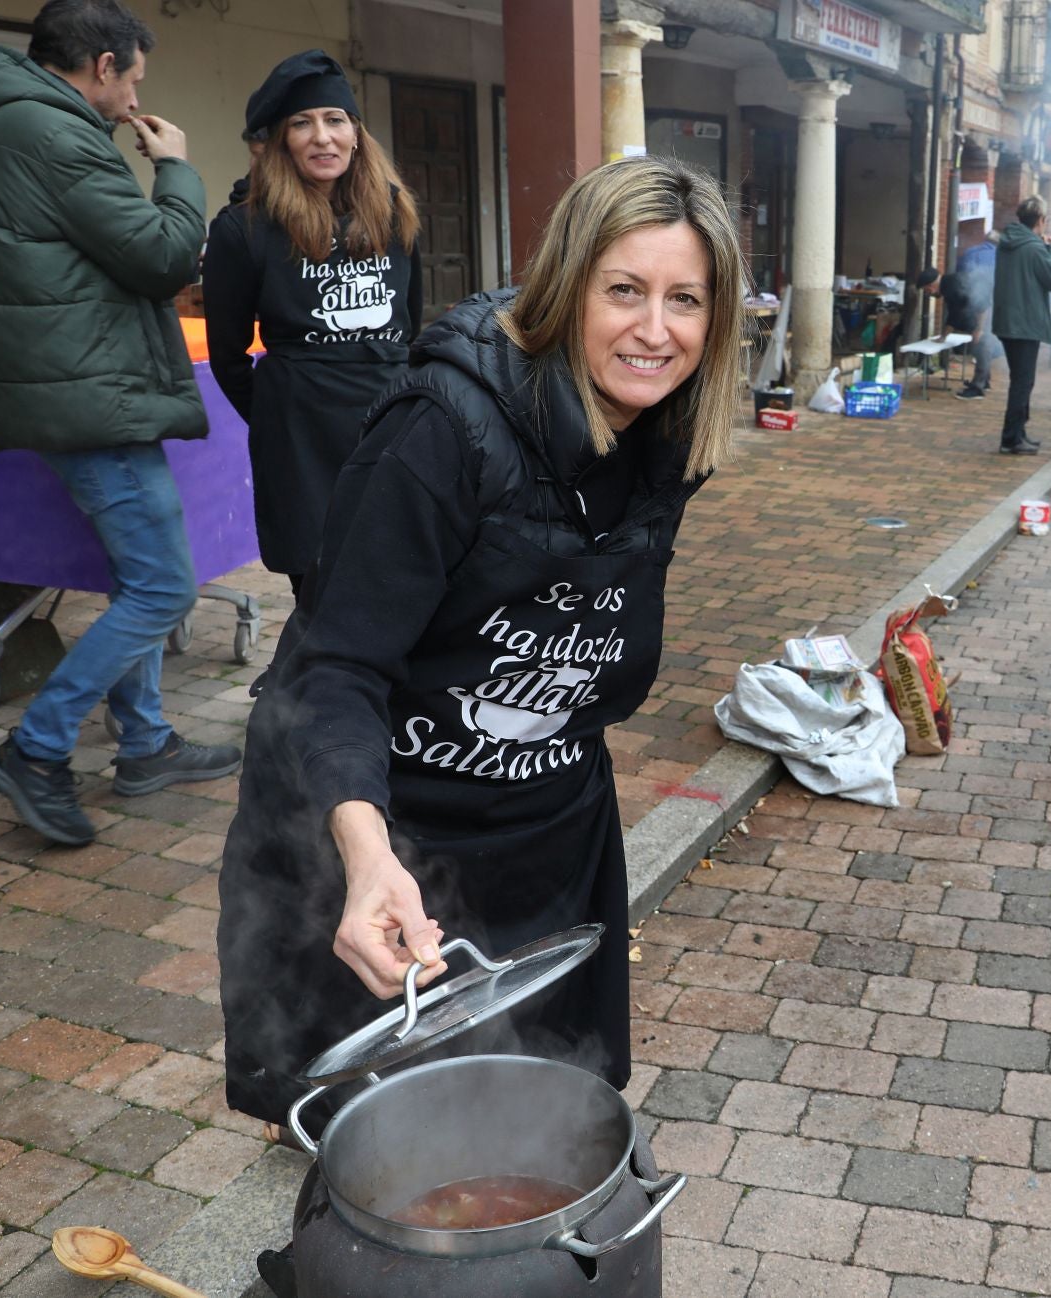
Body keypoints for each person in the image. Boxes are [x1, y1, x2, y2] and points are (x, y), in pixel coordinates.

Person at [216, 155, 743, 1128]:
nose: (655, 329)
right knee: (375, 1152)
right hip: (381, 839)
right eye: (624, 289)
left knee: (540, 1120)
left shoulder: (666, 436)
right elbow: (337, 667)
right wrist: (369, 858)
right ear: (568, 283)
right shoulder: (444, 428)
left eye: (686, 299)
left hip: (546, 841)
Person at [0, 0, 241, 850]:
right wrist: (177, 169)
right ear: (103, 65)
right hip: (91, 395)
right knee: (163, 588)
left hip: (75, 387)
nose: (137, 96)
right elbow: (162, 256)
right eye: (134, 77)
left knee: (132, 576)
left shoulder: (6, 121)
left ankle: (144, 745)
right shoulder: (54, 134)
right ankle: (36, 748)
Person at [201, 51, 422, 598]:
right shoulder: (243, 230)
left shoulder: (394, 213)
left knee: (404, 583)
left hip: (389, 427)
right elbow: (227, 357)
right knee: (323, 597)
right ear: (281, 140)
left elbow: (407, 327)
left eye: (334, 119)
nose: (322, 137)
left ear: (355, 132)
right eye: (302, 123)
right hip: (301, 445)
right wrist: (280, 416)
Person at [990, 195, 1051, 455]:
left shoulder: (1008, 242)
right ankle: (1011, 438)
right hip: (1025, 322)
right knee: (1022, 382)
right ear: (1041, 221)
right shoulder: (1034, 248)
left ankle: (1019, 432)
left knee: (1021, 380)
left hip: (1008, 320)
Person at [951, 236, 998, 399]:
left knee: (982, 342)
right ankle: (984, 380)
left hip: (982, 301)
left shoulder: (972, 252)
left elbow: (982, 300)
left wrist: (978, 328)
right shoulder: (998, 255)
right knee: (985, 342)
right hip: (993, 301)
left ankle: (979, 386)